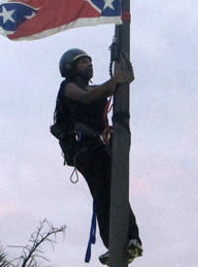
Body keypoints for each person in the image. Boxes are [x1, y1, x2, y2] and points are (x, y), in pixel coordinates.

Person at [50, 48, 142, 265]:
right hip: (84, 149)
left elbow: (103, 91)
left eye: (90, 61)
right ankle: (115, 242)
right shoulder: (69, 87)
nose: (89, 64)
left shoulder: (92, 87)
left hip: (99, 147)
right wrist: (114, 82)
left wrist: (122, 80)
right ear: (71, 68)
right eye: (83, 62)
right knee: (102, 193)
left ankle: (132, 240)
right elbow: (87, 97)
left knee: (117, 190)